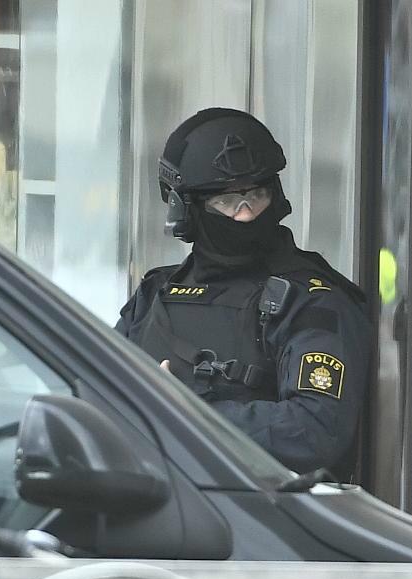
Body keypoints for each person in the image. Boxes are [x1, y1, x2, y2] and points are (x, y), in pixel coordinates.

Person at [116, 107, 371, 476]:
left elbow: (315, 430)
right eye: (226, 201)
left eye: (256, 195)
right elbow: (98, 397)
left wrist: (186, 414)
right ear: (185, 208)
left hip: (257, 520)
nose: (246, 214)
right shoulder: (155, 293)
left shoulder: (312, 299)